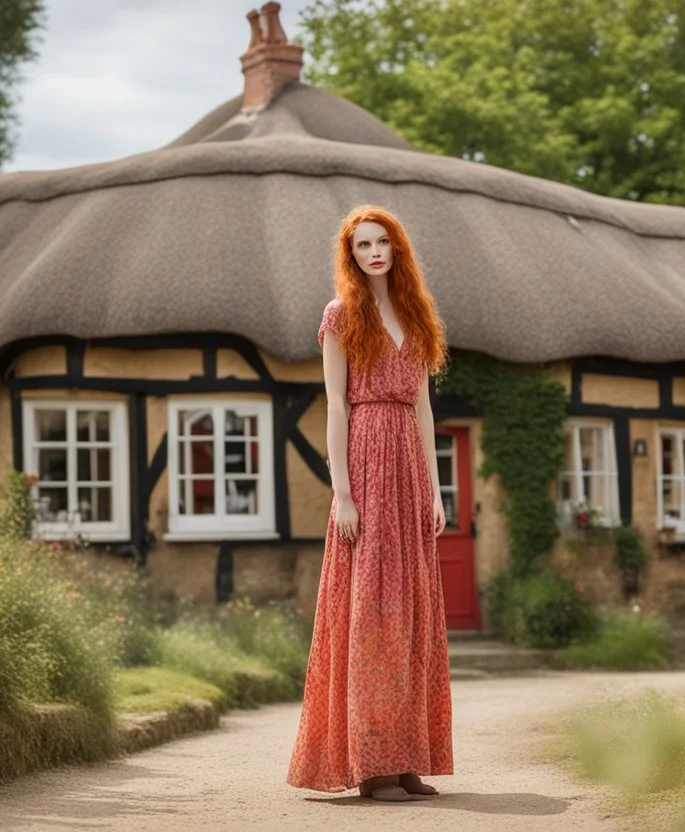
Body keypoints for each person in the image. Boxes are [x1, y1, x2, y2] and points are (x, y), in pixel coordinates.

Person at [286, 205, 454, 802]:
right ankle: (372, 765)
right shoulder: (340, 315)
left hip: (409, 464)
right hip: (366, 458)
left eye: (382, 241)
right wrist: (343, 494)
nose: (374, 252)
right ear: (351, 254)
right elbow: (335, 407)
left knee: (411, 613)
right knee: (373, 615)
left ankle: (409, 758)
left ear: (397, 248)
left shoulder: (416, 313)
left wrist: (436, 489)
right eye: (362, 245)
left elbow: (426, 408)